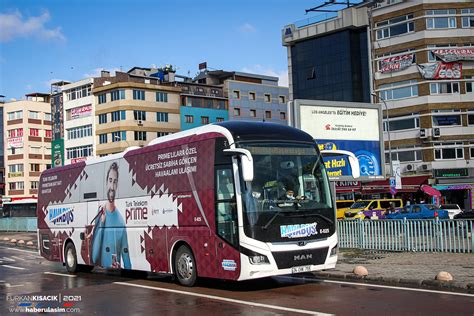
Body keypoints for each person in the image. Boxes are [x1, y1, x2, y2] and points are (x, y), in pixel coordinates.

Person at [92, 162, 131, 269]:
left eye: (115, 182)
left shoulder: (121, 222)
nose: (112, 186)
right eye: (110, 181)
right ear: (106, 183)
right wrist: (102, 224)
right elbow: (94, 257)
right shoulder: (100, 216)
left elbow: (127, 260)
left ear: (117, 185)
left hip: (115, 278)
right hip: (98, 284)